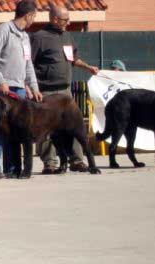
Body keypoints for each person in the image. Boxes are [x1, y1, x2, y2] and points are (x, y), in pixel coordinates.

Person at [31, 3, 99, 174]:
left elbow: (73, 59)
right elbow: (28, 64)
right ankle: (50, 163)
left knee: (74, 125)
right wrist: (31, 88)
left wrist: (88, 67)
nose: (68, 23)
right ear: (54, 19)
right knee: (46, 129)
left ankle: (77, 160)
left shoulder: (67, 36)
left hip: (65, 91)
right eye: (65, 20)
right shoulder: (38, 37)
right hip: (45, 91)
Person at [0, 0, 42, 179]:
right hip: (1, 90)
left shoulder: (25, 37)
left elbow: (28, 64)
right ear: (29, 15)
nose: (34, 20)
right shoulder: (3, 30)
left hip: (20, 91)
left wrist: (34, 86)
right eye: (34, 16)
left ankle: (10, 168)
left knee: (15, 131)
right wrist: (0, 80)